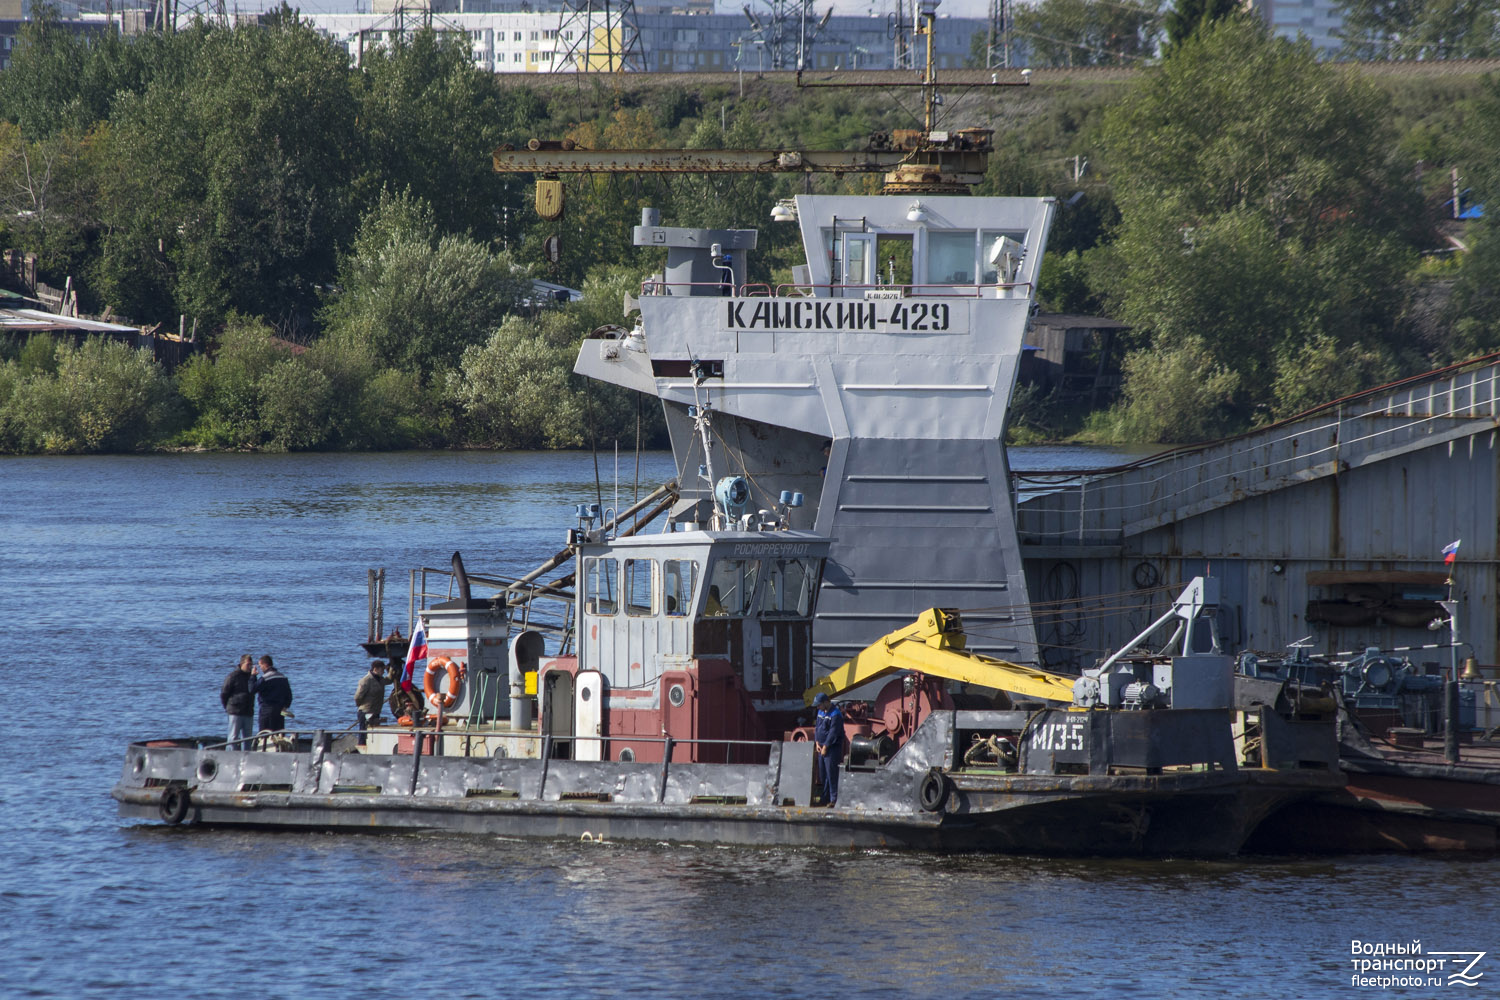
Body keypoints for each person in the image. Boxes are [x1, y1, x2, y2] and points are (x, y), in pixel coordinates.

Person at [813, 692, 846, 807]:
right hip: (821, 746)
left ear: (825, 702)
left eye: (819, 705)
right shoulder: (820, 712)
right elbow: (817, 727)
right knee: (823, 775)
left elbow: (833, 733)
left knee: (832, 774)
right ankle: (824, 797)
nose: (817, 707)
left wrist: (826, 746)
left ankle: (833, 800)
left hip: (832, 748)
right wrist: (817, 742)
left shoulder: (835, 714)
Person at [221, 654, 256, 747]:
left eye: (251, 665)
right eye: (248, 664)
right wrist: (229, 707)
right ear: (241, 664)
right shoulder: (233, 676)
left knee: (248, 739)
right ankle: (230, 757)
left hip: (248, 711)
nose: (250, 667)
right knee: (233, 737)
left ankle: (247, 758)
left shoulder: (252, 677)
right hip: (235, 711)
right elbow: (224, 693)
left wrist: (254, 677)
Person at [255, 654, 293, 733]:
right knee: (279, 734)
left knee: (264, 734)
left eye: (260, 665)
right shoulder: (282, 677)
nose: (260, 668)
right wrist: (286, 706)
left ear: (265, 664)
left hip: (267, 710)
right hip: (280, 710)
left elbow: (252, 689)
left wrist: (252, 676)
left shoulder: (264, 678)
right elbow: (289, 695)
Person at [354, 660, 387, 745]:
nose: (383, 672)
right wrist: (361, 705)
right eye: (382, 669)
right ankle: (362, 746)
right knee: (363, 733)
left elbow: (388, 680)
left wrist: (393, 671)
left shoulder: (380, 679)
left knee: (373, 733)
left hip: (376, 711)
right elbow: (358, 696)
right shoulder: (366, 680)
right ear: (375, 669)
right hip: (365, 711)